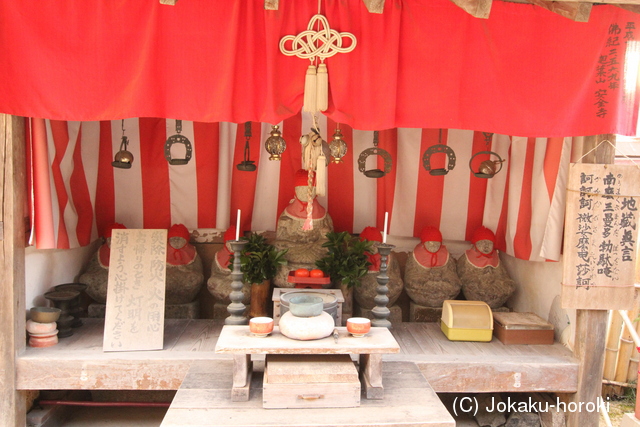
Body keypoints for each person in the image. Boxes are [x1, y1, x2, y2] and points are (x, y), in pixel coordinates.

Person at [272, 169, 334, 288]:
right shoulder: (287, 214)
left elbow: (330, 240)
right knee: (278, 246)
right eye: (301, 189)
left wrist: (325, 235)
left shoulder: (323, 214)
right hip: (293, 248)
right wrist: (288, 230)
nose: (305, 193)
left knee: (328, 248)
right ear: (295, 190)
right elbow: (280, 238)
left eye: (309, 190)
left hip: (315, 248)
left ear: (316, 191)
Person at [456, 226, 516, 308]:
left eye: (489, 243)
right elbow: (463, 277)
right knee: (473, 286)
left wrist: (496, 280)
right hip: (478, 287)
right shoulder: (466, 258)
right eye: (482, 243)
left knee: (510, 286)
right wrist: (482, 278)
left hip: (494, 286)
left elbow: (503, 275)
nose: (486, 246)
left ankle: (495, 305)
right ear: (475, 244)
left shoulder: (495, 257)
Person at [404, 226, 461, 307]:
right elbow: (410, 277)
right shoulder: (415, 255)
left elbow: (452, 275)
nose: (434, 246)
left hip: (442, 284)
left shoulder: (446, 255)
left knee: (455, 286)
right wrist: (427, 276)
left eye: (437, 243)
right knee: (413, 285)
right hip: (424, 286)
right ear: (423, 243)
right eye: (430, 243)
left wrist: (442, 276)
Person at [353, 226, 403, 310]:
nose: (373, 247)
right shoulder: (359, 257)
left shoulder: (389, 256)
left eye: (376, 244)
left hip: (388, 293)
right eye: (370, 244)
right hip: (366, 294)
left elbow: (396, 274)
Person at [207, 226, 250, 305]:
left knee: (245, 290)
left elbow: (250, 277)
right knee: (212, 282)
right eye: (230, 242)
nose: (233, 245)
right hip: (223, 283)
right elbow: (214, 274)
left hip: (241, 285)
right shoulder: (219, 255)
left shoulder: (248, 256)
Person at [164, 224, 204, 305]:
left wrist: (187, 270)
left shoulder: (192, 252)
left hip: (185, 280)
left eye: (179, 239)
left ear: (186, 240)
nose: (176, 241)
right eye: (173, 239)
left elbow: (199, 270)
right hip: (169, 279)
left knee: (197, 278)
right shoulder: (163, 251)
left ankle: (186, 298)